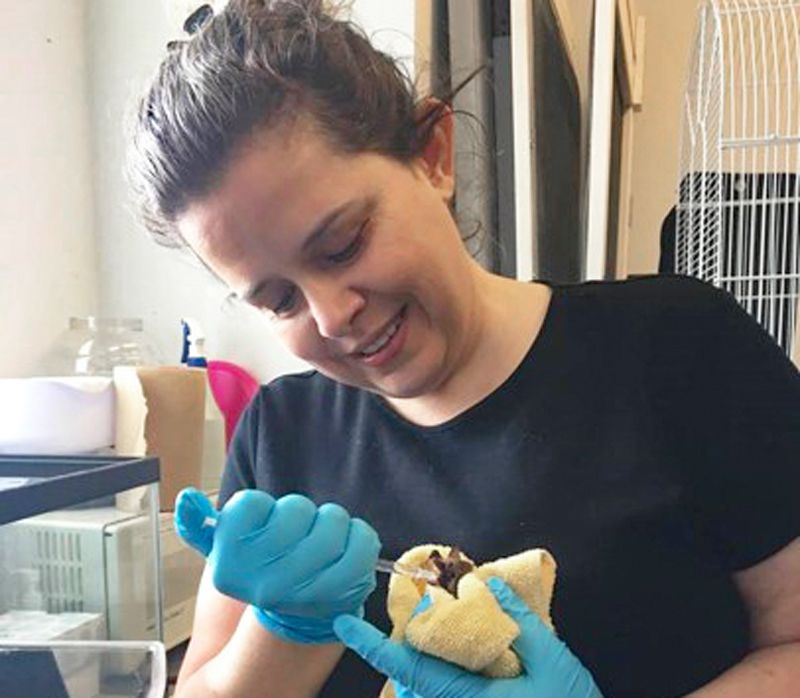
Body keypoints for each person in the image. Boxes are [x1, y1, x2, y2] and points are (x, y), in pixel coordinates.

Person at [126, 1, 800, 697]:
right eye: (279, 300)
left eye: (343, 244)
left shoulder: (678, 351)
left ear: (434, 156)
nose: (332, 317)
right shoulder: (282, 434)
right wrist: (286, 628)